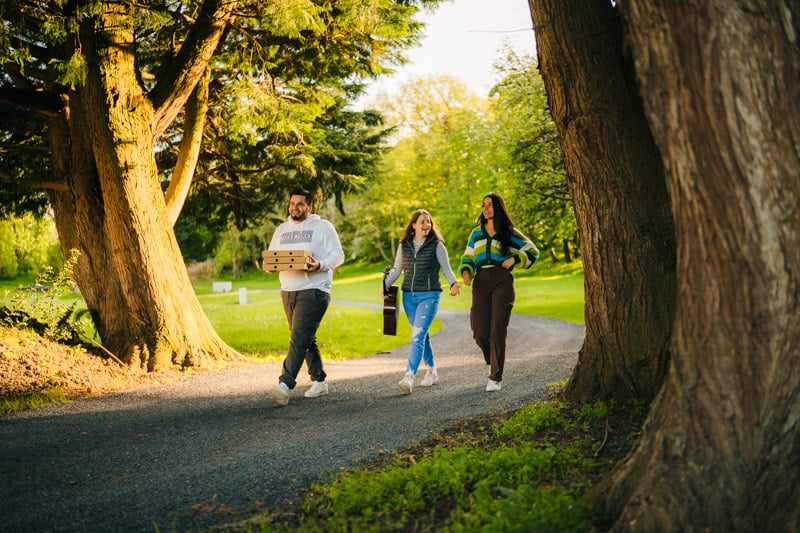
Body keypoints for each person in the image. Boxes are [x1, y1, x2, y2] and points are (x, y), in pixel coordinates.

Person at [265, 188, 345, 405]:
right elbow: (273, 257)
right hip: (288, 289)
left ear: (310, 207)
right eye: (292, 203)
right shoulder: (282, 229)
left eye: (300, 204)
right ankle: (319, 381)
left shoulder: (323, 227)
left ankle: (285, 383)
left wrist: (320, 265)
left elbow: (338, 255)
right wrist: (270, 266)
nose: (295, 208)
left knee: (299, 337)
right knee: (304, 337)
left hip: (315, 290)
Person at [460, 193, 539, 392]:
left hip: (502, 280)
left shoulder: (508, 232)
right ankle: (491, 359)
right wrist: (467, 272)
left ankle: (495, 377)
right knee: (479, 331)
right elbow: (468, 256)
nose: (486, 208)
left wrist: (514, 259)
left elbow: (532, 250)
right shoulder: (476, 233)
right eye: (483, 205)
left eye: (490, 205)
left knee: (497, 330)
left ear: (498, 208)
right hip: (481, 282)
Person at [383, 209, 460, 393]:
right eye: (423, 222)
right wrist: (384, 285)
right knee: (421, 334)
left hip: (430, 295)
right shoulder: (404, 245)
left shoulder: (437, 246)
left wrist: (454, 283)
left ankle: (409, 376)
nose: (427, 225)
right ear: (414, 225)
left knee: (417, 335)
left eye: (429, 222)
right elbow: (396, 269)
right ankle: (432, 370)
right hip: (409, 296)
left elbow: (447, 269)